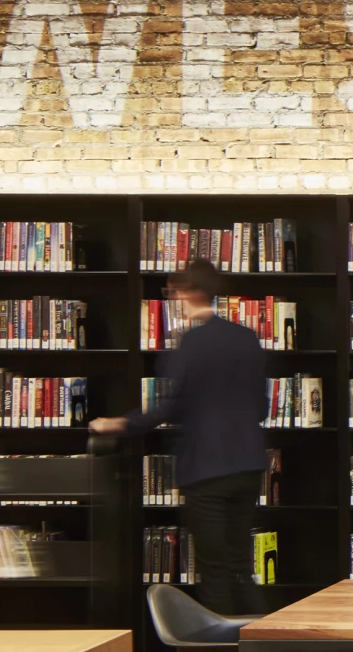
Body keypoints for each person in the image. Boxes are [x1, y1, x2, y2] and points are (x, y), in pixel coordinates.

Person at [94, 259, 268, 613]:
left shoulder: (191, 343)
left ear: (189, 292)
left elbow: (169, 408)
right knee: (240, 567)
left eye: (173, 292)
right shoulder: (246, 338)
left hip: (206, 470)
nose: (173, 298)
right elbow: (262, 407)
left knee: (214, 572)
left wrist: (119, 424)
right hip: (248, 467)